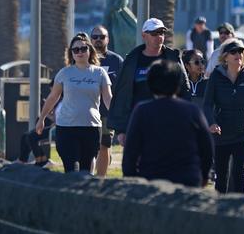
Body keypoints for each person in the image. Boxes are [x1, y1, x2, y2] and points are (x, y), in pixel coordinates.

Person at [123, 60, 214, 187]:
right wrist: (204, 176)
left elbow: (130, 151)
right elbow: (206, 148)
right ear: (178, 83)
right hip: (187, 180)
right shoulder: (192, 110)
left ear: (150, 83)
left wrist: (131, 178)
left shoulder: (142, 111)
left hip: (152, 180)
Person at [36, 34, 112, 173]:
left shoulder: (100, 73)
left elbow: (108, 98)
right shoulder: (65, 73)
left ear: (90, 50)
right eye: (75, 50)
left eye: (83, 48)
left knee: (86, 172)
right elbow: (53, 97)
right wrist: (41, 119)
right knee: (72, 170)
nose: (80, 52)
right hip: (66, 128)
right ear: (71, 53)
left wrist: (116, 118)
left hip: (91, 128)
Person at [108, 18, 191, 146]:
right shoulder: (132, 61)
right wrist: (121, 130)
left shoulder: (173, 58)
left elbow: (184, 90)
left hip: (168, 122)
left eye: (161, 33)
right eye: (154, 33)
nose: (159, 37)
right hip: (139, 122)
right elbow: (122, 96)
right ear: (144, 36)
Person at [203, 39, 244, 194]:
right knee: (221, 176)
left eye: (240, 51)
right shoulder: (216, 77)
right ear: (225, 57)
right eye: (233, 52)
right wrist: (211, 123)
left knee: (239, 171)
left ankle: (238, 212)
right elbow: (207, 105)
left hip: (243, 134)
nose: (238, 54)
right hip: (221, 134)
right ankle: (220, 211)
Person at [90, 25, 124, 177]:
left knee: (105, 143)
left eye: (101, 37)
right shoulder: (84, 58)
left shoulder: (116, 60)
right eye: (95, 37)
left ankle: (100, 180)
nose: (98, 40)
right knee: (91, 146)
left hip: (107, 111)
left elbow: (123, 86)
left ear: (108, 39)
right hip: (87, 109)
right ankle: (87, 177)